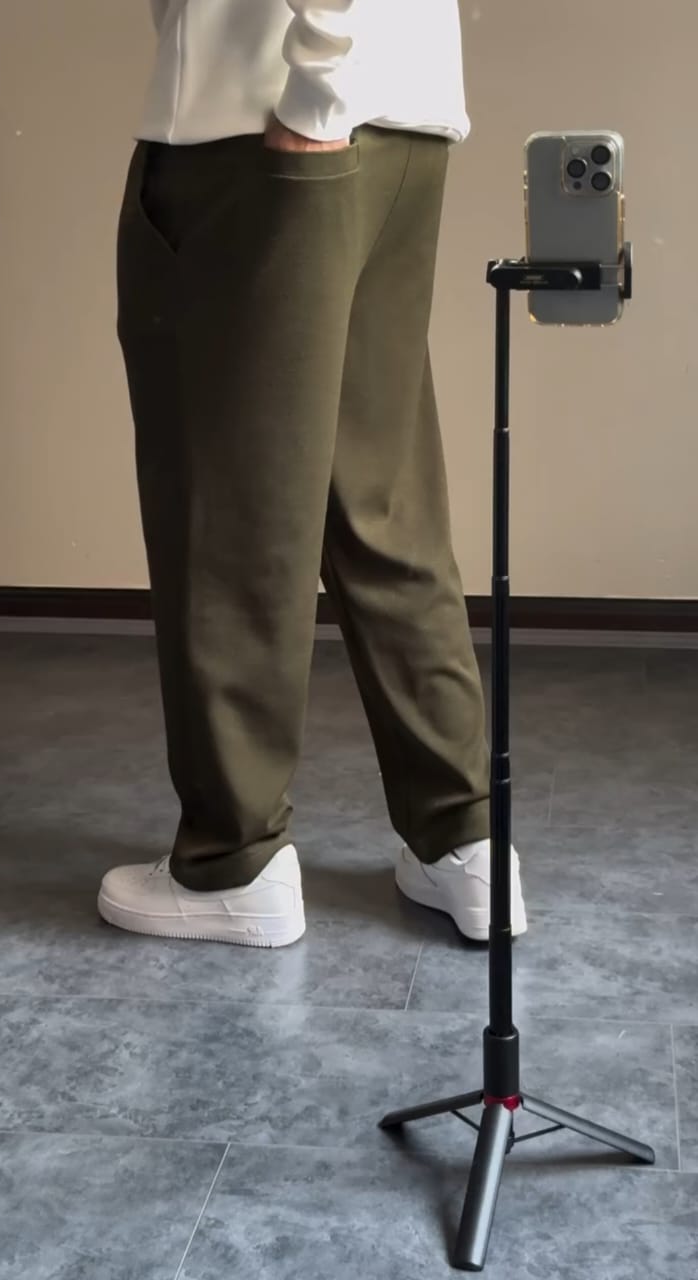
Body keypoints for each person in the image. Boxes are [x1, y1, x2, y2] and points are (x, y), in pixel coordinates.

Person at [98, 0, 527, 947]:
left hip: (265, 119)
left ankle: (233, 861)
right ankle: (464, 839)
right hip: (405, 120)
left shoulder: (303, 91)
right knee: (379, 500)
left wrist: (320, 79)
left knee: (229, 510)